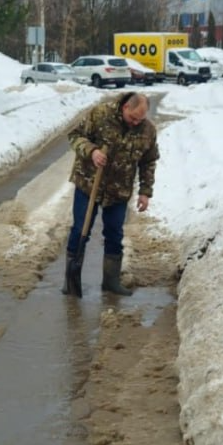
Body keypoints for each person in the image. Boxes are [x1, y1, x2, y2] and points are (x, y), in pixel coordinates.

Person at [61, 91, 160, 297]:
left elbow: (148, 161)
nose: (135, 123)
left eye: (140, 119)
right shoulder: (100, 114)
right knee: (81, 229)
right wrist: (92, 151)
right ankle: (71, 280)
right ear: (125, 107)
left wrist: (145, 192)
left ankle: (111, 281)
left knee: (114, 234)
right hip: (89, 183)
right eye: (133, 118)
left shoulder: (148, 130)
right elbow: (74, 136)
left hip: (119, 189)